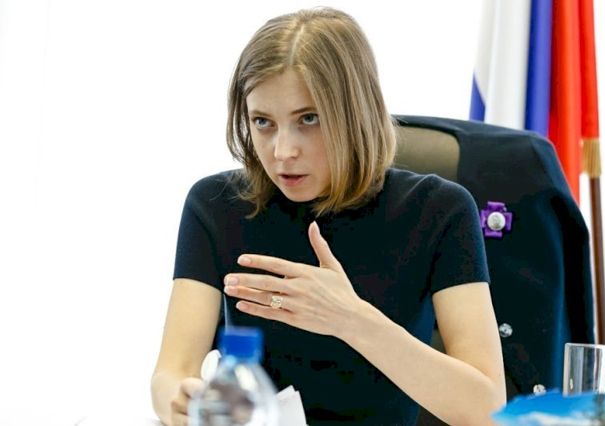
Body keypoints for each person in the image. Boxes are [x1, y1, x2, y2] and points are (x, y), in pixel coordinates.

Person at [151, 7, 506, 426]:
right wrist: (182, 401)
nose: (283, 151)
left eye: (309, 119)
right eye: (263, 122)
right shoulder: (215, 205)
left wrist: (350, 319)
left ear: (356, 114)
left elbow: (486, 409)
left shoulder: (439, 209)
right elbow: (172, 372)